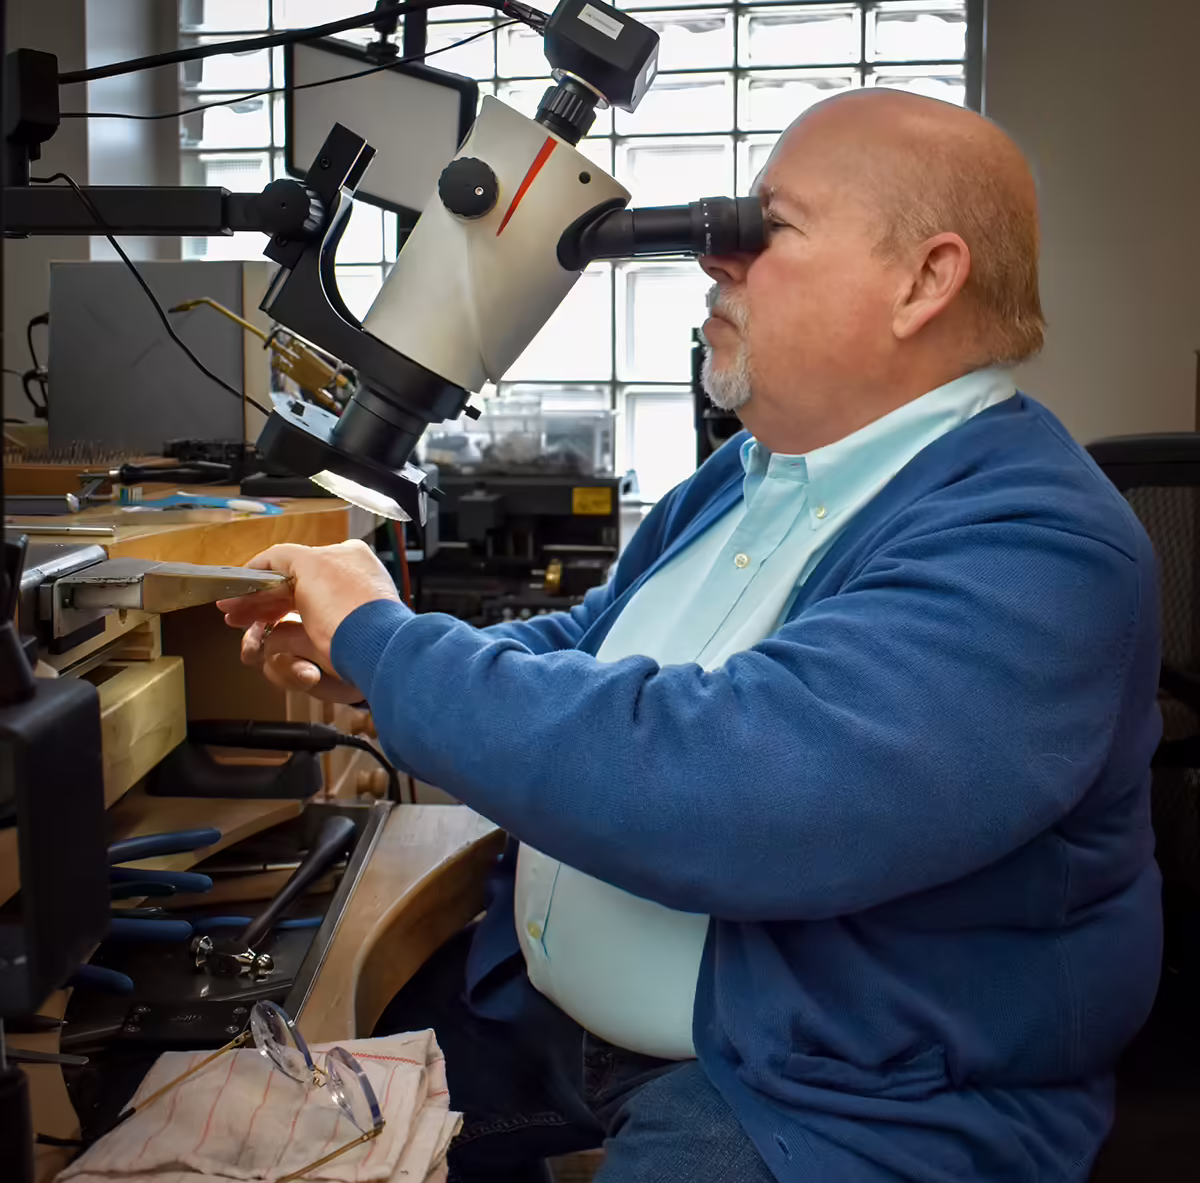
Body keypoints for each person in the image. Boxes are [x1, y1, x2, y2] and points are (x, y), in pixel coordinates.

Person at [218, 90, 1163, 1183]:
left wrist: (387, 643)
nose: (717, 262)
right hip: (569, 1029)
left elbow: (731, 783)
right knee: (263, 1117)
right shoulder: (755, 470)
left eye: (766, 230)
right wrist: (371, 670)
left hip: (833, 1099)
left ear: (925, 281)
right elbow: (594, 643)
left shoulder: (1037, 545)